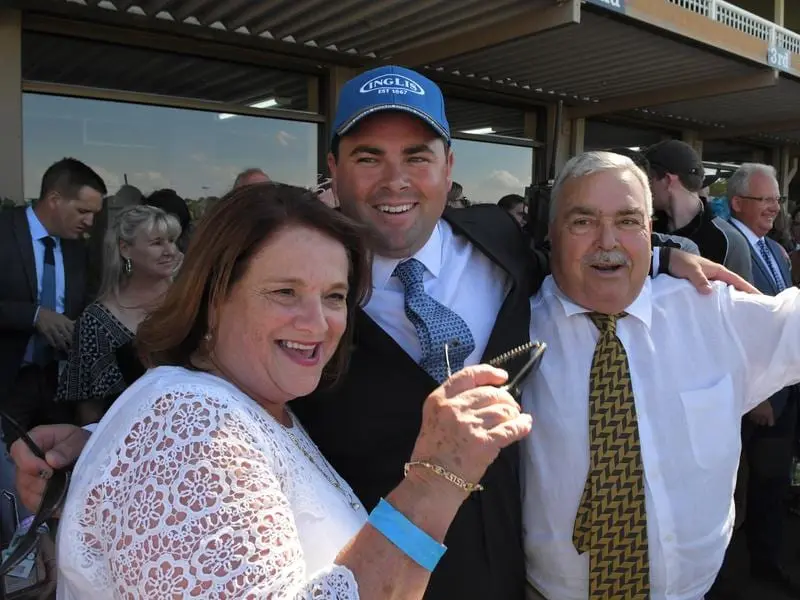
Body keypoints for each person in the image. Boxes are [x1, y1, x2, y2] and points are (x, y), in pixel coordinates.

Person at [13, 66, 755, 600]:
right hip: (374, 571)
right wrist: (116, 441)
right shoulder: (303, 272)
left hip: (512, 573)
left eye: (416, 157)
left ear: (448, 168)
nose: (394, 180)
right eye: (368, 157)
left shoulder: (502, 243)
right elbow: (208, 409)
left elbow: (588, 254)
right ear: (333, 168)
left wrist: (666, 256)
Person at [56, 182, 531, 599]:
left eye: (334, 296)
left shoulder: (254, 405)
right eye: (285, 292)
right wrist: (434, 481)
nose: (318, 323)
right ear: (213, 296)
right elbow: (183, 450)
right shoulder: (190, 425)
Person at [521, 151, 800, 600]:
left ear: (652, 233)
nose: (606, 241)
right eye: (582, 222)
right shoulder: (510, 327)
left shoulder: (711, 310)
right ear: (551, 234)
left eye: (629, 220)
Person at [726, 163, 800, 595]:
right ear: (738, 202)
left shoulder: (774, 250)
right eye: (766, 199)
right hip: (753, 397)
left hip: (782, 392)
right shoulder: (726, 244)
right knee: (735, 489)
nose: (775, 207)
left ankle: (766, 564)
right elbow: (734, 329)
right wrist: (756, 397)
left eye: (777, 199)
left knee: (772, 486)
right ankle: (725, 575)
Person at [0, 157, 105, 449]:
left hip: (58, 387)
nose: (89, 222)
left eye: (94, 213)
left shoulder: (78, 249)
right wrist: (34, 315)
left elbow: (85, 304)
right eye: (83, 210)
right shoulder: (5, 232)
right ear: (55, 199)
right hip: (8, 383)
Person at [56, 205, 181, 424]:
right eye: (157, 243)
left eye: (171, 240)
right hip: (132, 442)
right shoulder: (97, 321)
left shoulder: (194, 301)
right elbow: (90, 412)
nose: (170, 250)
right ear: (125, 249)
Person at [645, 139, 752, 279]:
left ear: (667, 180)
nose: (644, 187)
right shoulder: (648, 231)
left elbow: (742, 298)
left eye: (648, 180)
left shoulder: (728, 240)